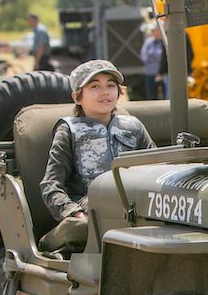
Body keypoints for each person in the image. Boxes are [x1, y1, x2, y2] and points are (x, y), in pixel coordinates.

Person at [39, 60, 156, 255]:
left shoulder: (133, 127)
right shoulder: (68, 131)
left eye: (111, 85)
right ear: (77, 97)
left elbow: (156, 168)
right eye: (94, 86)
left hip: (136, 209)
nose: (105, 92)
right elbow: (51, 185)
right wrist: (74, 213)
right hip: (90, 211)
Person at [137, 24, 164, 101]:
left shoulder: (165, 41)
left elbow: (163, 57)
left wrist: (152, 54)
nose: (152, 32)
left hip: (162, 75)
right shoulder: (148, 42)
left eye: (153, 30)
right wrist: (157, 56)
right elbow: (144, 56)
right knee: (151, 97)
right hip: (150, 74)